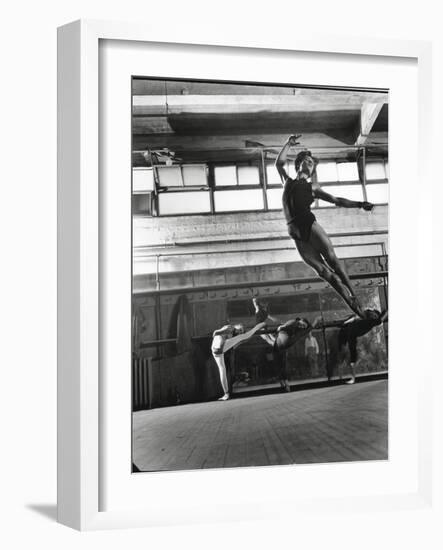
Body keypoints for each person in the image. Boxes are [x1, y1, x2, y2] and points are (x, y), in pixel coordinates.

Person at [275, 135, 374, 318]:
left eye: (312, 162)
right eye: (307, 160)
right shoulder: (287, 182)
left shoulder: (313, 188)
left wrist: (360, 204)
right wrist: (288, 143)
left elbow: (337, 200)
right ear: (299, 164)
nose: (309, 163)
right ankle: (358, 311)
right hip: (295, 232)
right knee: (324, 273)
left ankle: (355, 296)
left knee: (333, 262)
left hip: (308, 223)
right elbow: (279, 164)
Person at [253, 298, 321, 391]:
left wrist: (282, 326)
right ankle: (284, 383)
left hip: (282, 341)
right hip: (280, 342)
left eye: (303, 326)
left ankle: (284, 382)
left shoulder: (296, 326)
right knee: (279, 361)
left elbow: (296, 325)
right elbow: (289, 325)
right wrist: (281, 326)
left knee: (268, 337)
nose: (301, 326)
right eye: (302, 324)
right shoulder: (295, 324)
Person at [211, 320, 266, 401]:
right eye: (240, 329)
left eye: (241, 331)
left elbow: (234, 344)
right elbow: (215, 333)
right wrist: (219, 332)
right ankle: (259, 325)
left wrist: (241, 340)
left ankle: (226, 394)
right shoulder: (230, 327)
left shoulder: (233, 335)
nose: (240, 331)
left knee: (222, 370)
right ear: (237, 325)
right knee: (245, 336)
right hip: (218, 348)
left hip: (217, 350)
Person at [334, 309, 388, 384]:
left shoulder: (371, 321)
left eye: (375, 316)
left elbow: (379, 320)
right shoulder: (364, 315)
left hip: (351, 334)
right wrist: (344, 323)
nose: (373, 316)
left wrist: (386, 312)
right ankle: (346, 372)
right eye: (373, 314)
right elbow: (354, 317)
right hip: (347, 330)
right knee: (346, 352)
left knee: (352, 354)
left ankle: (352, 377)